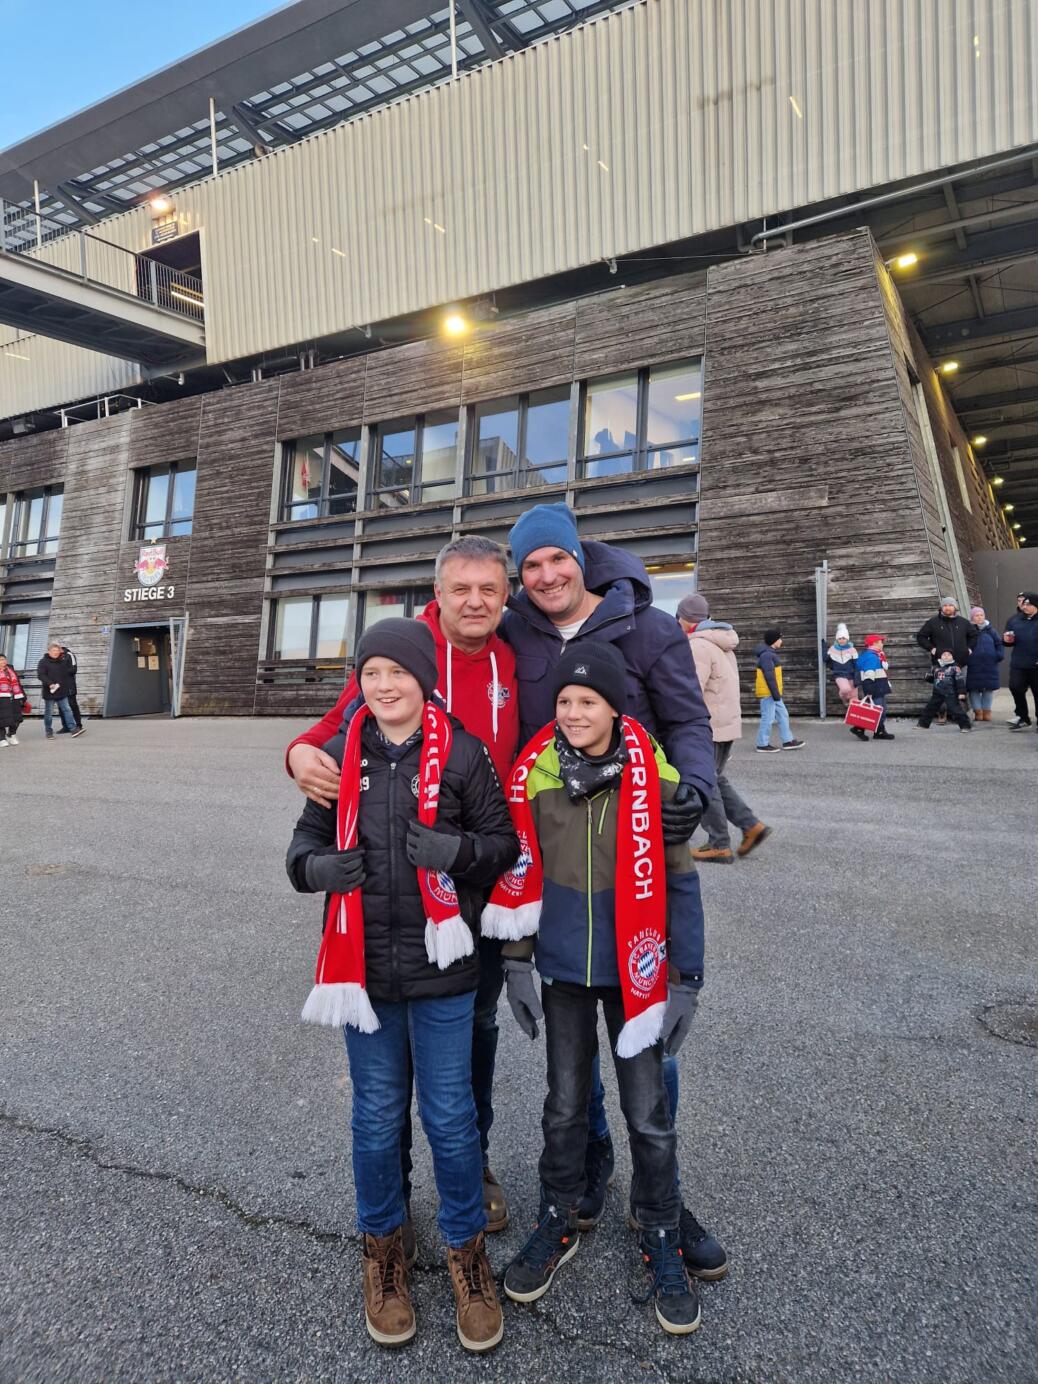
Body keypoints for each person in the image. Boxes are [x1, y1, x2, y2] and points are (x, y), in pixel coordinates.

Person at [286, 619, 519, 1353]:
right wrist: (320, 871)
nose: (384, 687)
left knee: (451, 1119)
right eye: (371, 674)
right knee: (377, 1117)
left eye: (399, 673)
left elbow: (503, 847)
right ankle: (384, 1247)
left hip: (446, 973)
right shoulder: (338, 757)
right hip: (365, 977)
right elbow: (301, 851)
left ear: (426, 680)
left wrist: (457, 851)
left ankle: (464, 1251)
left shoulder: (465, 755)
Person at [503, 502, 724, 1273]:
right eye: (530, 567)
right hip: (561, 867)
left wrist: (693, 788)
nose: (547, 577)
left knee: (648, 1062)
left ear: (581, 559)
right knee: (569, 1080)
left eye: (556, 561)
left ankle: (660, 1199)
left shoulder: (647, 627)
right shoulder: (512, 630)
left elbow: (690, 722)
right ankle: (586, 1179)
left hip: (635, 863)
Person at [487, 643, 704, 1336]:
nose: (575, 713)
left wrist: (686, 978)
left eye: (589, 702)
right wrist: (517, 963)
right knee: (564, 1106)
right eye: (564, 702)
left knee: (648, 1112)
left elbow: (683, 884)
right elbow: (520, 873)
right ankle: (558, 1217)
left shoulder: (657, 781)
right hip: (563, 976)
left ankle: (661, 1231)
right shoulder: (536, 776)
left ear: (616, 707)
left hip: (638, 977)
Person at [677, 593, 770, 864]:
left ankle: (719, 843)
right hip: (726, 723)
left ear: (684, 620)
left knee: (704, 783)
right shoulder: (722, 642)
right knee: (715, 778)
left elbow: (690, 688)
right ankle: (750, 825)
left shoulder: (698, 646)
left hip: (708, 726)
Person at [754, 629, 806, 752]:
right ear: (774, 641)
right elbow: (769, 677)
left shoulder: (770, 653)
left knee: (783, 714)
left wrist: (776, 694)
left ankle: (788, 741)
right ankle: (762, 744)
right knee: (768, 717)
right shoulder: (767, 655)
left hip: (773, 693)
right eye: (779, 639)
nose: (781, 641)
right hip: (769, 693)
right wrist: (776, 694)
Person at [1003, 592, 1038, 730]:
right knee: (1015, 687)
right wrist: (1006, 641)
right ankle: (1023, 717)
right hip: (1019, 663)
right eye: (1023, 604)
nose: (1025, 607)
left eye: (1028, 604)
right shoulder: (1014, 620)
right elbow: (1008, 639)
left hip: (1036, 664)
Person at [36, 643, 84, 739]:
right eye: (53, 651)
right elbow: (41, 675)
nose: (55, 652)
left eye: (57, 651)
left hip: (62, 692)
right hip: (50, 691)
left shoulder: (62, 662)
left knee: (67, 710)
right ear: (49, 651)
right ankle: (49, 731)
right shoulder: (43, 662)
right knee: (49, 713)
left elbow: (66, 676)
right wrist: (50, 683)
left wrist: (66, 687)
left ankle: (73, 729)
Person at [852, 634, 895, 741]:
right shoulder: (871, 657)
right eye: (881, 641)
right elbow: (868, 674)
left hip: (878, 686)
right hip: (875, 687)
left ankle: (876, 731)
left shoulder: (875, 655)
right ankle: (862, 728)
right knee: (879, 710)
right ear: (874, 643)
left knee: (878, 710)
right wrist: (869, 690)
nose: (882, 643)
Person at [965, 607, 1003, 722]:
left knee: (988, 688)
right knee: (974, 689)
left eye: (981, 615)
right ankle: (978, 712)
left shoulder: (991, 630)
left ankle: (987, 712)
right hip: (973, 664)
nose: (979, 617)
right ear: (972, 618)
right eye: (977, 615)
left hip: (989, 664)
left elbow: (999, 643)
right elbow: (963, 645)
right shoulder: (968, 630)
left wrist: (998, 655)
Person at [916, 596, 978, 666]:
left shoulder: (964, 622)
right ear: (941, 608)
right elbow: (921, 637)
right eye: (945, 605)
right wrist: (932, 648)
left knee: (962, 677)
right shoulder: (933, 622)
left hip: (961, 664)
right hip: (940, 665)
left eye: (951, 605)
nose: (947, 607)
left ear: (955, 607)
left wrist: (969, 649)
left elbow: (974, 636)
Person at [917, 651, 971, 731]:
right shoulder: (935, 668)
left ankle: (965, 726)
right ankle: (923, 724)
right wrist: (927, 677)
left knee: (956, 710)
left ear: (952, 657)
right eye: (944, 655)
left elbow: (960, 681)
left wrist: (961, 692)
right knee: (930, 708)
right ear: (940, 657)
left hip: (951, 693)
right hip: (937, 692)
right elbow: (933, 679)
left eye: (949, 655)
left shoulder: (955, 668)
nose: (946, 656)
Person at [824, 624, 859, 705]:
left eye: (843, 638)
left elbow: (856, 664)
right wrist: (824, 648)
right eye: (839, 638)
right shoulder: (832, 649)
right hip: (839, 674)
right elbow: (825, 659)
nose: (842, 640)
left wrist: (857, 677)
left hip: (851, 675)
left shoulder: (852, 650)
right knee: (845, 689)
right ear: (837, 639)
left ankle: (852, 714)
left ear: (847, 639)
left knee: (854, 697)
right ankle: (843, 699)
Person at [0, 653, 27, 746]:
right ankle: (1, 738)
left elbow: (17, 683)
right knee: (2, 718)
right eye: (1, 660)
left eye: (4, 659)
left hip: (14, 696)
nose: (3, 661)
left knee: (17, 717)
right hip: (1, 697)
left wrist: (23, 695)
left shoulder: (10, 669)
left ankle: (11, 734)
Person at [56, 645, 83, 732]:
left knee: (72, 705)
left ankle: (78, 725)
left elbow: (74, 670)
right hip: (59, 687)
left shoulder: (69, 655)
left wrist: (61, 671)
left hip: (69, 685)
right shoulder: (54, 657)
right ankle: (66, 726)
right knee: (61, 707)